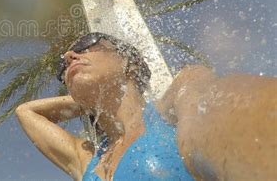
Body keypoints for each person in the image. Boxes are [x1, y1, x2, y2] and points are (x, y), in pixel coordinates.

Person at [15, 32, 277, 181]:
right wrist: (90, 99)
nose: (70, 56)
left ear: (130, 63)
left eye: (87, 45)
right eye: (63, 68)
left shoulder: (171, 106)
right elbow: (25, 112)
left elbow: (216, 113)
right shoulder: (88, 162)